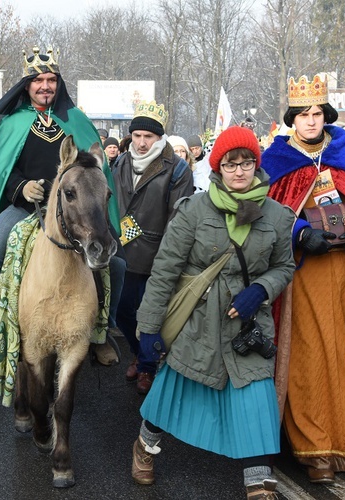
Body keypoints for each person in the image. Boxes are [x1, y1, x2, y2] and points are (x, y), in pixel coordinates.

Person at [130, 126, 294, 499]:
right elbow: (166, 271)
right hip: (197, 323)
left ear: (257, 164)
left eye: (247, 162)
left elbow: (284, 267)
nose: (239, 171)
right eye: (230, 163)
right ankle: (144, 446)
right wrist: (149, 329)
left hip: (247, 327)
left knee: (254, 400)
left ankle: (258, 483)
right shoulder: (193, 211)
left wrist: (261, 289)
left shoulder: (277, 216)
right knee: (172, 393)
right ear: (217, 167)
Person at [262, 75, 345, 482]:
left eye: (316, 112)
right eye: (303, 114)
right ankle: (314, 444)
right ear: (292, 118)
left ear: (326, 115)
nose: (310, 120)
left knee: (337, 343)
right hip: (304, 269)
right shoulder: (277, 160)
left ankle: (344, 440)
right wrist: (300, 233)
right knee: (309, 348)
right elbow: (262, 216)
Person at [0, 46, 122, 366]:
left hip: (76, 210)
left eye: (51, 80)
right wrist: (20, 187)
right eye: (39, 80)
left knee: (118, 262)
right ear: (27, 85)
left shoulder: (77, 120)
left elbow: (95, 170)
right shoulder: (13, 123)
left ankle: (101, 332)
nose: (46, 86)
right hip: (26, 208)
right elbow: (1, 170)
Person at [113, 101, 194, 394]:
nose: (142, 142)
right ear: (131, 136)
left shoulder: (178, 169)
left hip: (157, 256)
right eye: (137, 136)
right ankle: (139, 354)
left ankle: (147, 367)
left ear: (160, 138)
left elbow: (179, 218)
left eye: (149, 136)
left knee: (150, 316)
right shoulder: (120, 162)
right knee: (122, 313)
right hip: (121, 253)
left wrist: (168, 259)